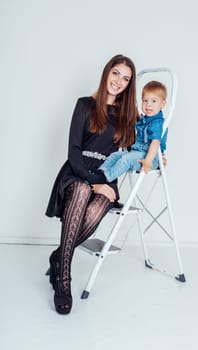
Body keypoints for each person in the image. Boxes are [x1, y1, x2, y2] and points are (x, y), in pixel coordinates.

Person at [45, 54, 139, 314]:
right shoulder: (85, 105)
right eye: (116, 73)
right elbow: (73, 150)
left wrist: (155, 154)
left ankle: (58, 256)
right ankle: (63, 281)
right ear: (107, 72)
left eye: (126, 78)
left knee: (101, 204)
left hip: (105, 177)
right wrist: (91, 182)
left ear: (129, 85)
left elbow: (138, 148)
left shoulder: (128, 116)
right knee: (83, 189)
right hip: (76, 173)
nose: (119, 81)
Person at [91, 80, 168, 183]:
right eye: (145, 101)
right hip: (136, 152)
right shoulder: (145, 119)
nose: (148, 105)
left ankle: (103, 179)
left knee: (126, 159)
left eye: (154, 101)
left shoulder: (157, 123)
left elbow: (155, 142)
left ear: (162, 104)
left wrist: (149, 160)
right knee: (115, 155)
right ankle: (99, 173)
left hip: (149, 158)